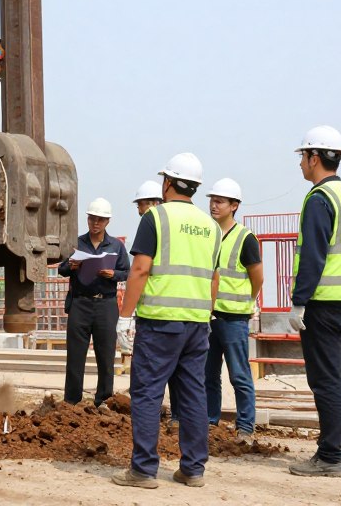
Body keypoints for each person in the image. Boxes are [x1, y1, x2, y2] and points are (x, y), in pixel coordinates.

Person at [112, 153, 221, 490]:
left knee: (146, 394)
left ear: (168, 183)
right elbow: (214, 279)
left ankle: (143, 470)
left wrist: (124, 317)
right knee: (192, 396)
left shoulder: (155, 218)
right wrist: (206, 313)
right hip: (197, 324)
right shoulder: (211, 227)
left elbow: (140, 270)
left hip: (160, 323)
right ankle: (192, 470)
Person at [286, 126, 341, 477]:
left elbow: (314, 256)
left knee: (326, 380)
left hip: (322, 303)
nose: (301, 164)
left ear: (315, 158)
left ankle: (330, 456)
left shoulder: (319, 199)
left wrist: (299, 302)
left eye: (303, 157)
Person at [204, 178, 263, 440]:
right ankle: (209, 421)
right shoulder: (208, 235)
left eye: (219, 201)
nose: (213, 205)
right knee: (208, 374)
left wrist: (247, 302)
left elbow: (257, 277)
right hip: (208, 317)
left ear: (234, 206)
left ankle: (246, 427)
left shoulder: (245, 238)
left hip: (234, 318)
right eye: (212, 200)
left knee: (239, 374)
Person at [58, 197, 130, 406]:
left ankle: (104, 400)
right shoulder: (76, 243)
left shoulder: (116, 246)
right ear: (87, 219)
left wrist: (113, 274)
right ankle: (71, 401)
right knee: (75, 355)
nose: (95, 223)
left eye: (100, 219)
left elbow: (126, 272)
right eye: (92, 219)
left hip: (106, 305)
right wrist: (71, 267)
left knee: (106, 354)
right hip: (80, 303)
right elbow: (61, 269)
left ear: (107, 221)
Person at [119, 181, 165, 373]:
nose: (139, 210)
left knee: (147, 374)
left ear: (154, 203)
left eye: (141, 204)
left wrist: (125, 316)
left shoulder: (151, 221)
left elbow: (139, 270)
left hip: (155, 314)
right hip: (185, 317)